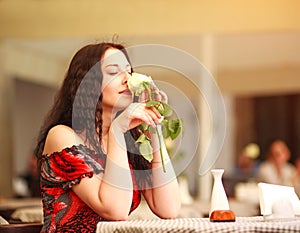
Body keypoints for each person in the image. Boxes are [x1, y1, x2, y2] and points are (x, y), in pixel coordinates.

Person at [34, 42, 181, 232]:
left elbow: (168, 208)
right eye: (113, 72)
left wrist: (154, 125)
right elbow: (115, 210)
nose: (127, 79)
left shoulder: (131, 140)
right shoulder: (62, 136)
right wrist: (117, 131)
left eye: (129, 71)